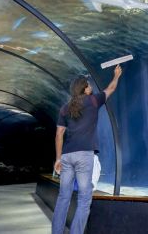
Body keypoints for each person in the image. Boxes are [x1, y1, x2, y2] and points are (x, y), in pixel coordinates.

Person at [52, 65, 122, 234]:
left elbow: (59, 134)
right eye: (89, 85)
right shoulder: (93, 101)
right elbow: (111, 88)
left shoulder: (65, 108)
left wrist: (58, 158)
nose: (91, 87)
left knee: (63, 198)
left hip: (67, 156)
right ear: (85, 88)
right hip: (84, 156)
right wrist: (117, 75)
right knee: (84, 199)